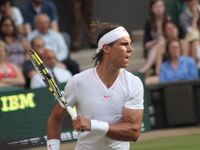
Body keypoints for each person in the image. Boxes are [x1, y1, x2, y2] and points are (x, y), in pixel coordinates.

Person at [47, 22, 144, 150]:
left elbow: (133, 132)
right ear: (106, 48)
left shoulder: (134, 83)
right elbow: (55, 119)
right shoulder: (78, 82)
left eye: (130, 44)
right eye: (124, 44)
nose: (130, 49)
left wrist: (92, 125)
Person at [140, 0, 169, 74]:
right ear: (151, 9)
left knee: (162, 41)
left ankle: (145, 69)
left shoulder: (168, 21)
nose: (159, 9)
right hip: (152, 51)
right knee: (160, 41)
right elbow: (146, 45)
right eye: (156, 7)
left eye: (161, 6)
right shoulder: (149, 23)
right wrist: (156, 41)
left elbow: (173, 38)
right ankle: (156, 71)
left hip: (168, 49)